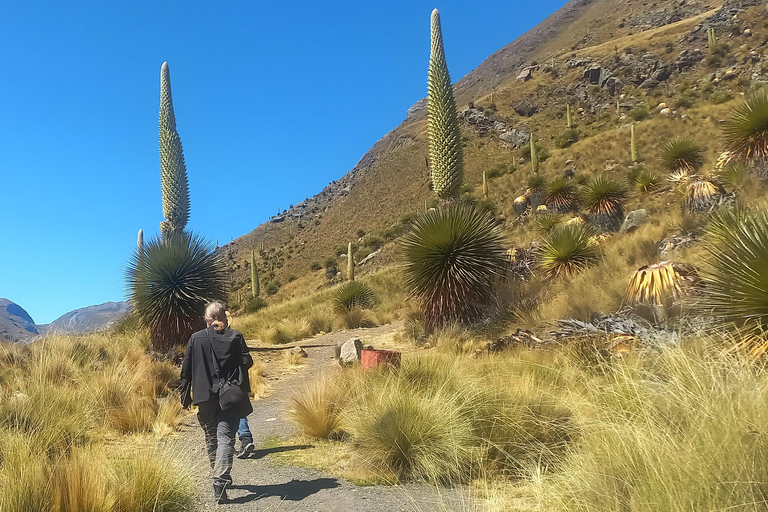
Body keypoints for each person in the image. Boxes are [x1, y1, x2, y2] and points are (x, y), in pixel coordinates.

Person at [180, 301, 253, 504]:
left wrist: (185, 397)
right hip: (228, 396)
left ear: (207, 319)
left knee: (212, 438)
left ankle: (218, 473)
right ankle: (220, 480)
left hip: (203, 397)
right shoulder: (235, 336)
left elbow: (186, 370)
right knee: (226, 438)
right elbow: (247, 362)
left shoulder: (195, 339)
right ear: (224, 317)